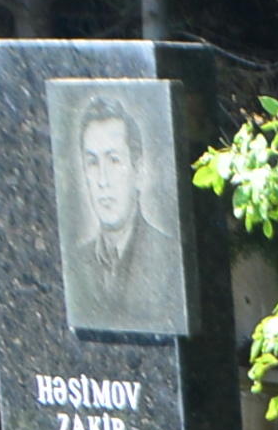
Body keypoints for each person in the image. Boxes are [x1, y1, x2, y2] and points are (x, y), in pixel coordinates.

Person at [62, 93, 186, 336]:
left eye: (114, 160)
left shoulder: (171, 258)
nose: (103, 180)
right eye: (93, 162)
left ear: (138, 171)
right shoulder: (75, 263)